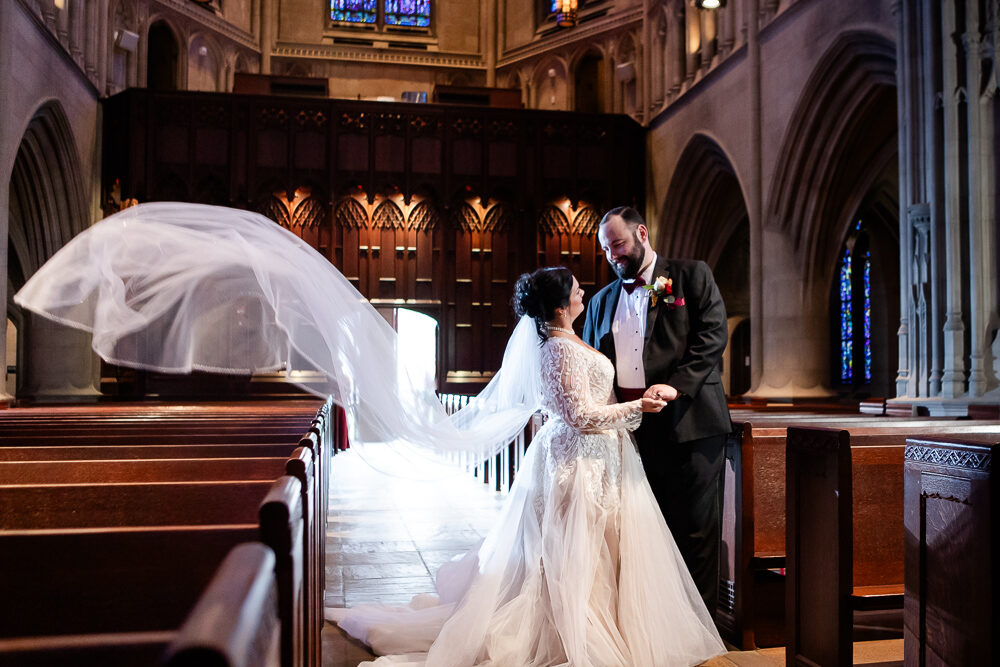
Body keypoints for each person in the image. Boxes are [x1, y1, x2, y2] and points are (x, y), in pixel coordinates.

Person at [15, 203, 726, 666]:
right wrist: (637, 407)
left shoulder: (645, 296)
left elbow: (683, 351)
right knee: (571, 570)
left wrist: (650, 401)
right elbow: (576, 407)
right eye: (585, 269)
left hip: (623, 454)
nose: (595, 274)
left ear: (641, 234)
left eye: (612, 247)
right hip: (590, 456)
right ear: (560, 304)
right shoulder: (570, 334)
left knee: (606, 561)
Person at [329, 267, 725, 666]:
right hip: (577, 461)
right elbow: (580, 415)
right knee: (574, 552)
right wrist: (638, 407)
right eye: (575, 288)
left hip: (600, 458)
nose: (582, 291)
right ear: (558, 306)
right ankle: (572, 634)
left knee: (602, 550)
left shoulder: (571, 340)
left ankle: (611, 628)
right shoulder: (557, 349)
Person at [582, 206, 731, 616]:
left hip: (691, 424)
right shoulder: (600, 302)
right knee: (644, 527)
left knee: (696, 528)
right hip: (632, 431)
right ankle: (654, 620)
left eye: (618, 244)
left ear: (642, 233)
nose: (613, 255)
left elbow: (712, 337)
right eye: (607, 250)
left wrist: (677, 386)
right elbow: (594, 362)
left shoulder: (688, 276)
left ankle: (701, 626)